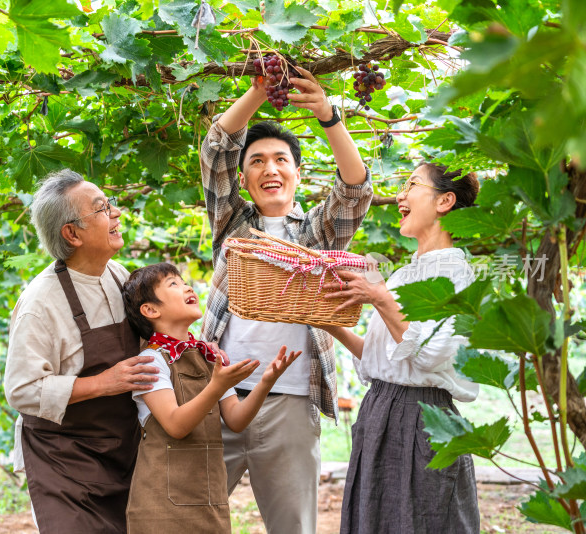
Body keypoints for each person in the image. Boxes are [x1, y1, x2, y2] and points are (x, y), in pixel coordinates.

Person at [200, 66, 372, 532]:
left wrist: (330, 117)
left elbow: (354, 192)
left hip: (292, 400)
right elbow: (216, 150)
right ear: (244, 176)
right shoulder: (232, 224)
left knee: (293, 526)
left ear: (298, 171)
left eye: (280, 159)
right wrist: (261, 89)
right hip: (218, 395)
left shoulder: (317, 233)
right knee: (189, 516)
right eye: (256, 161)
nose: (269, 169)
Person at [319, 163, 481, 533]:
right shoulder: (407, 272)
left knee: (424, 521)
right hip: (381, 411)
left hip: (425, 421)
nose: (399, 196)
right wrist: (325, 322)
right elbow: (380, 360)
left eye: (411, 185)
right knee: (378, 521)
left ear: (445, 201)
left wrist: (378, 296)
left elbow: (428, 355)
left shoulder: (455, 272)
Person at [3, 169, 160, 534]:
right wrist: (103, 383)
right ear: (72, 234)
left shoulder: (118, 275)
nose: (116, 213)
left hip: (120, 448)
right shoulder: (40, 304)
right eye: (102, 208)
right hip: (64, 460)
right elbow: (22, 389)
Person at [121, 263, 302, 533]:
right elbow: (175, 425)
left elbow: (236, 419)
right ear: (150, 310)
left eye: (183, 281)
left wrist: (265, 382)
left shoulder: (208, 358)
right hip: (159, 507)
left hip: (209, 502)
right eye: (173, 284)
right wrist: (217, 386)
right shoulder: (151, 360)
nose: (187, 286)